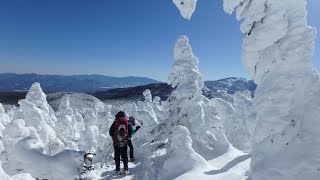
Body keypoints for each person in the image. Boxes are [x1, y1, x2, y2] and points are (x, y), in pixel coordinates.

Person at [109, 111, 129, 175]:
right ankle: (126, 169)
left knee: (117, 156)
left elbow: (110, 132)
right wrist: (126, 138)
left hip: (116, 142)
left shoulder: (115, 122)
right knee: (125, 155)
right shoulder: (126, 121)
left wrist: (114, 137)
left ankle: (118, 170)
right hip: (124, 142)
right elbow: (129, 131)